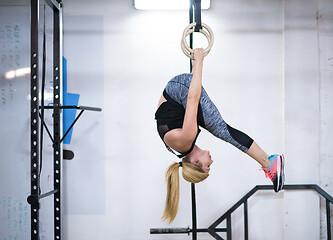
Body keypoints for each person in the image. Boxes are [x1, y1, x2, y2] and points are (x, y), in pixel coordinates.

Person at [155, 48, 285, 224]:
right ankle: (269, 162)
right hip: (177, 92)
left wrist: (199, 63)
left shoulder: (185, 140)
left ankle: (270, 163)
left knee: (221, 130)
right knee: (217, 128)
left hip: (180, 89)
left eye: (208, 166)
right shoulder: (180, 147)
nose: (212, 162)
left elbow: (193, 99)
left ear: (195, 163)